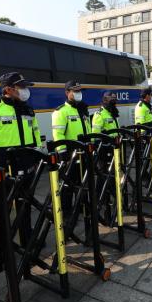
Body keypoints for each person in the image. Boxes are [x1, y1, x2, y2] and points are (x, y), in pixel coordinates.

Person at [0, 72, 41, 169]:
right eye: (21, 87)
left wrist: (38, 156)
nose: (25, 90)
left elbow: (35, 134)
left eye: (25, 87)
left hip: (28, 163)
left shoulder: (28, 109)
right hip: (4, 166)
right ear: (8, 89)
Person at [52, 80, 90, 214]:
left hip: (84, 152)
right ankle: (67, 213)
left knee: (83, 182)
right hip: (70, 155)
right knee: (67, 185)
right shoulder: (61, 111)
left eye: (79, 91)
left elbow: (88, 130)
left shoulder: (83, 109)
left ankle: (82, 207)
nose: (78, 94)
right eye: (75, 91)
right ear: (67, 93)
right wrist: (63, 154)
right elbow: (58, 134)